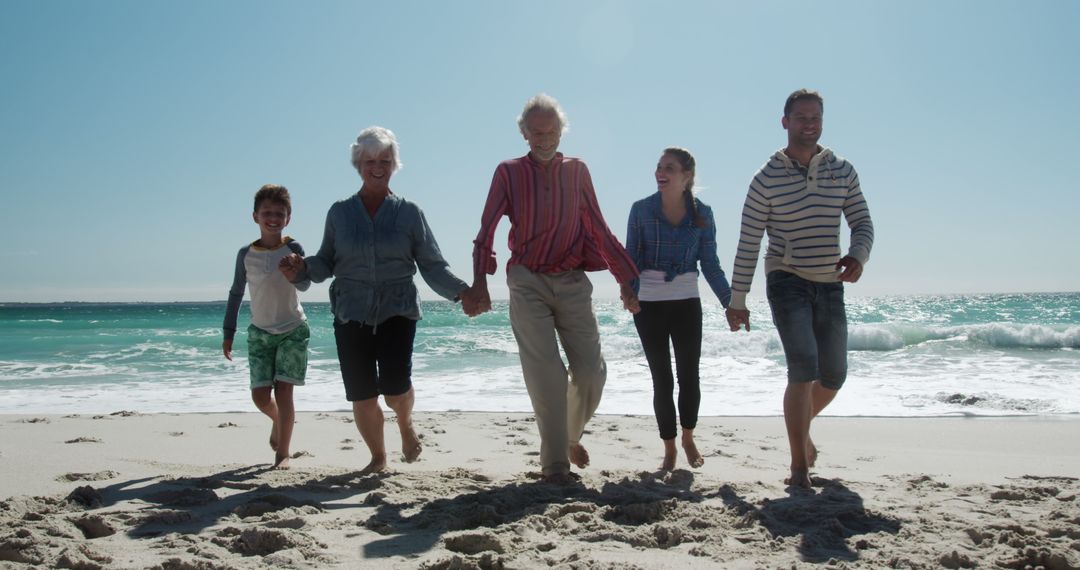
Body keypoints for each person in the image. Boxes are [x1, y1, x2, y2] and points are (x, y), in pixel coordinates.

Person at [466, 93, 640, 484]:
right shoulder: (508, 172)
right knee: (547, 374)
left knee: (592, 374)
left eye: (552, 132)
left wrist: (625, 279)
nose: (545, 140)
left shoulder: (577, 171)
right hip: (527, 280)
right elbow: (487, 228)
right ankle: (555, 467)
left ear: (562, 131)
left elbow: (598, 226)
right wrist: (480, 280)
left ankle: (567, 438)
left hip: (573, 280)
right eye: (537, 133)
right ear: (524, 134)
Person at [279, 126, 473, 474]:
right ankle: (378, 459)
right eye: (370, 160)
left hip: (397, 309)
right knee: (362, 392)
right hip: (350, 310)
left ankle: (404, 422)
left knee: (395, 389)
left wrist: (463, 292)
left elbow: (432, 263)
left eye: (384, 159)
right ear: (358, 164)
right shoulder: (340, 213)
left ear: (394, 164)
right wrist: (301, 269)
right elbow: (326, 261)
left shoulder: (409, 213)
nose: (377, 166)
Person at [726, 89, 874, 489]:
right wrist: (737, 301)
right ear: (785, 122)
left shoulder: (841, 170)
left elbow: (862, 221)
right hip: (786, 278)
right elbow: (749, 242)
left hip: (829, 282)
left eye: (815, 117)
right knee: (803, 367)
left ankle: (801, 428)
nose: (809, 123)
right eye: (801, 117)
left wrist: (858, 255)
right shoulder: (765, 178)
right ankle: (798, 467)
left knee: (834, 374)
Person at [626, 147, 732, 471]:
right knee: (662, 379)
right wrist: (628, 293)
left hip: (687, 301)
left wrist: (731, 303)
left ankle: (688, 437)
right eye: (658, 166)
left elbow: (710, 265)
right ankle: (669, 448)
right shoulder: (641, 210)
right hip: (649, 304)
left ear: (686, 176)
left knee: (689, 376)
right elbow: (630, 259)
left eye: (669, 168)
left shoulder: (703, 215)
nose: (661, 172)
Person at [223, 184, 311, 469]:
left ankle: (282, 453)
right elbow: (236, 293)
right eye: (267, 213)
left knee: (285, 391)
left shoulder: (293, 248)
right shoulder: (245, 254)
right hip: (260, 332)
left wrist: (293, 273)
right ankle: (277, 420)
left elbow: (306, 284)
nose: (272, 218)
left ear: (288, 217)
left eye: (279, 213)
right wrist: (229, 332)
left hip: (293, 330)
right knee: (261, 396)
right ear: (255, 216)